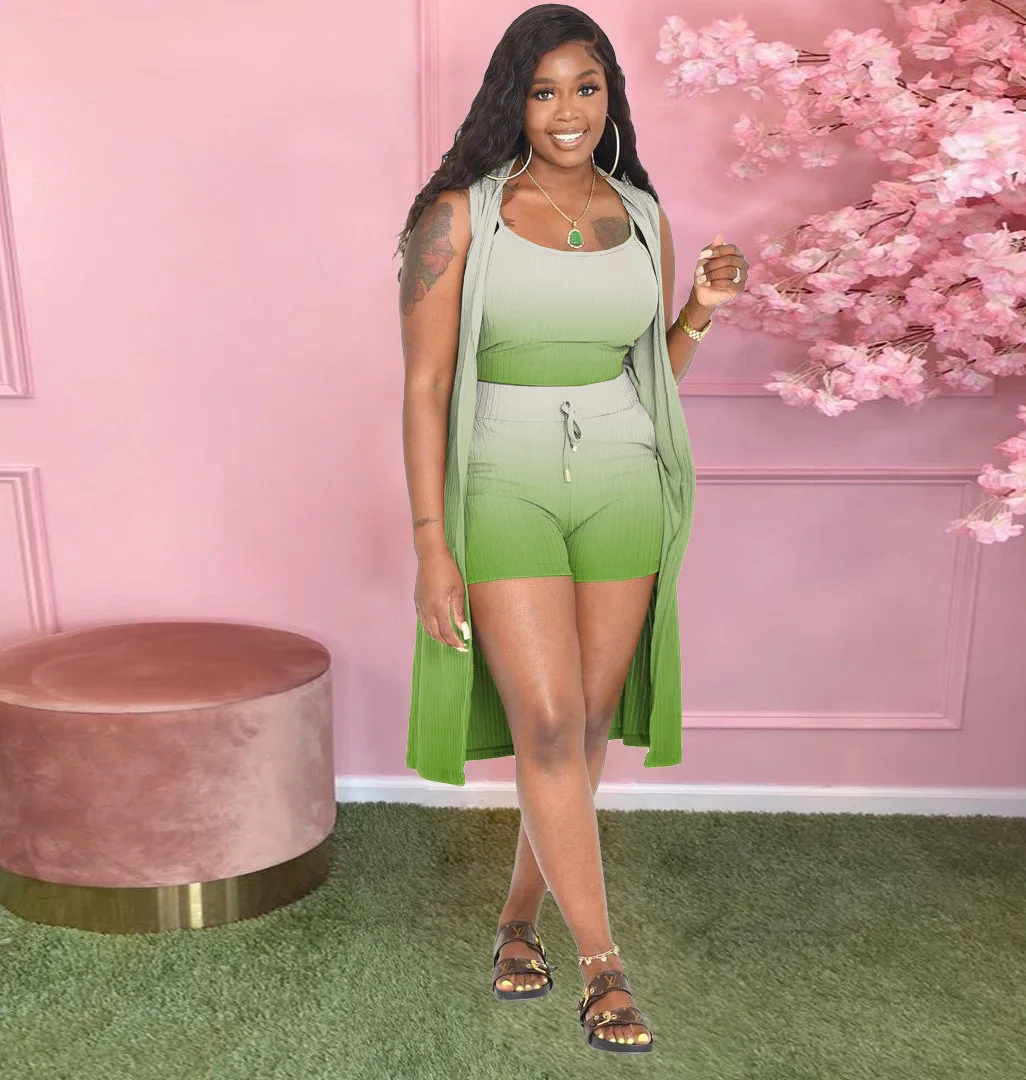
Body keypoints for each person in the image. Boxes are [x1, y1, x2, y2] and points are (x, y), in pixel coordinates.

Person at [396, 3, 747, 1055]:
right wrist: (431, 544)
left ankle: (518, 919)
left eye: (585, 88)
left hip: (623, 475)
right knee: (545, 722)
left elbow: (650, 375)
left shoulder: (641, 213)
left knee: (586, 725)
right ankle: (605, 966)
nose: (566, 110)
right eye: (544, 90)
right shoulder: (457, 217)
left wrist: (698, 312)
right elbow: (424, 388)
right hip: (501, 476)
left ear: (609, 97)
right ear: (514, 98)